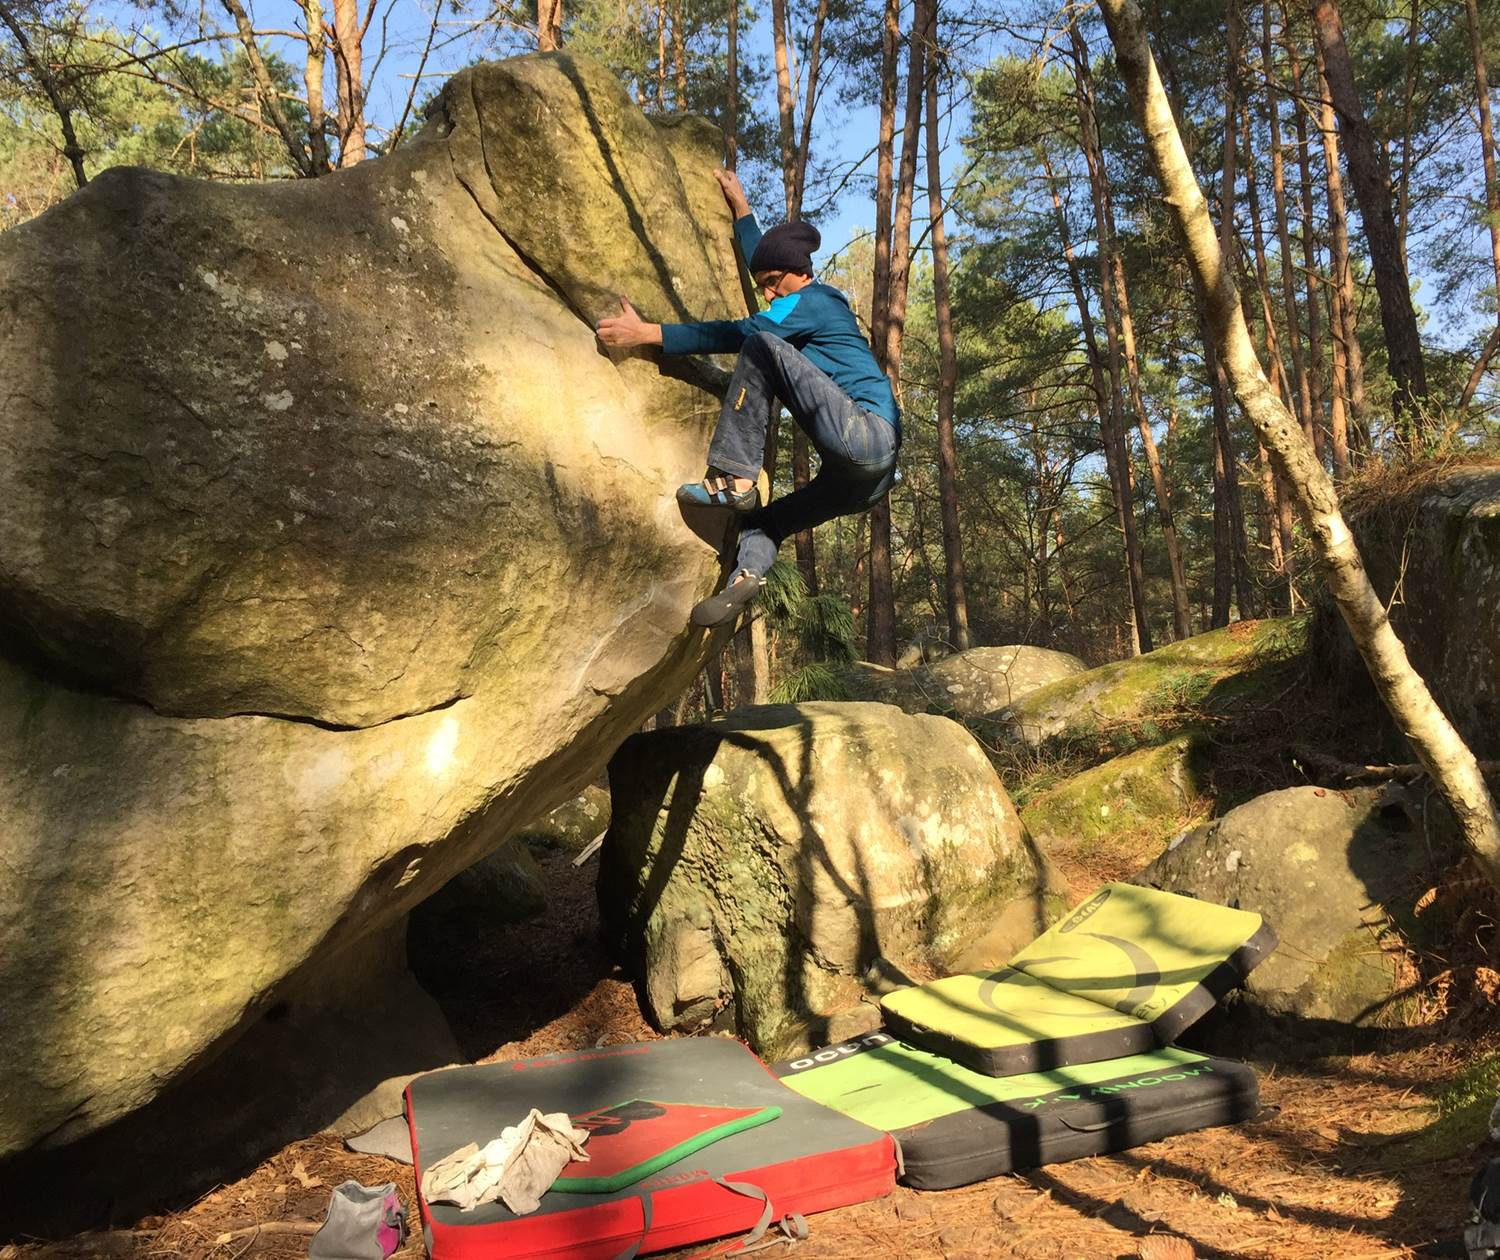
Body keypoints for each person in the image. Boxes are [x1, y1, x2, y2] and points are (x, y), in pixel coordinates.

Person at [596, 168, 901, 628]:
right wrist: (742, 209)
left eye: (774, 281)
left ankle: (735, 480)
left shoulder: (818, 301)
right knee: (765, 522)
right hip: (865, 482)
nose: (766, 292)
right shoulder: (794, 297)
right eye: (761, 282)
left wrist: (648, 333)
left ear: (804, 274)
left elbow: (742, 331)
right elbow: (767, 263)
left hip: (866, 434)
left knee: (758, 344)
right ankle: (747, 577)